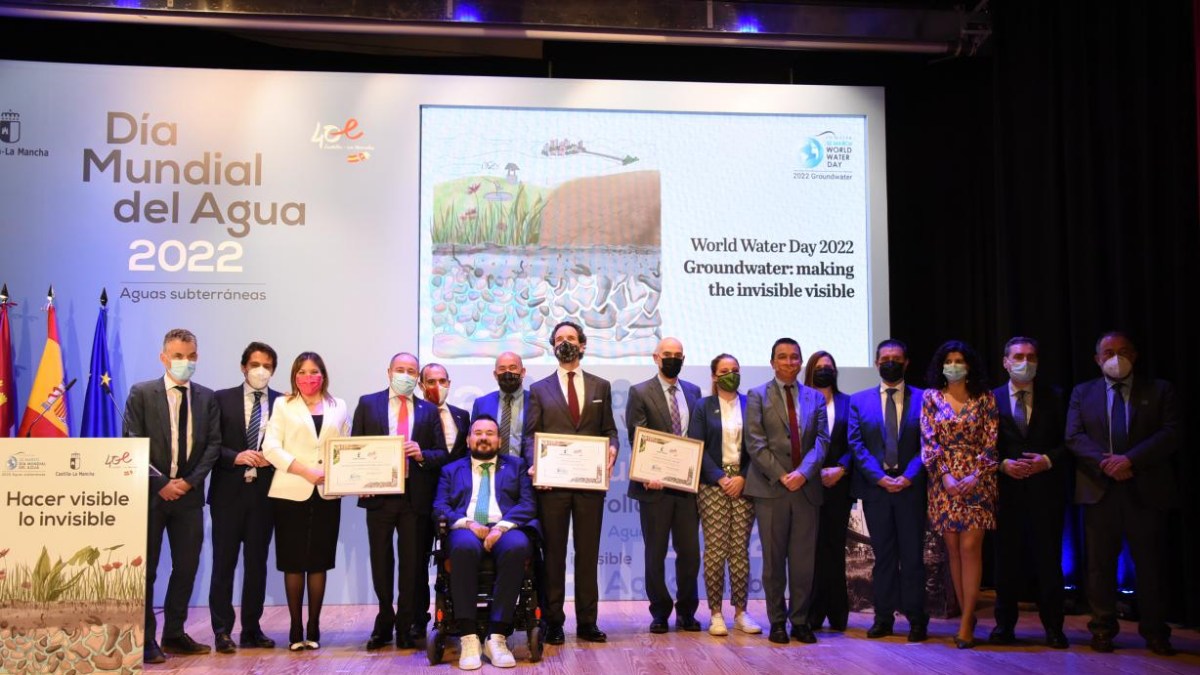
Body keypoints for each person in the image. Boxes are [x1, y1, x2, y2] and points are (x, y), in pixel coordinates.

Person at [1065, 331, 1179, 656]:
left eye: (1124, 351)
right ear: (1097, 359)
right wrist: (1107, 464)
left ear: (1135, 355)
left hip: (1146, 490)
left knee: (1151, 565)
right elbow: (1074, 436)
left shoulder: (1159, 390)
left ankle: (1155, 632)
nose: (1117, 357)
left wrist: (1130, 460)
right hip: (1100, 491)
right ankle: (1102, 629)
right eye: (1109, 352)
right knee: (1099, 567)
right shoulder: (1082, 392)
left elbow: (1171, 432)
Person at [124, 328, 221, 664]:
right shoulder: (141, 393)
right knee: (147, 570)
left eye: (191, 356)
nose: (185, 362)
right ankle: (146, 639)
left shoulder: (207, 397)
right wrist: (161, 482)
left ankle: (175, 634)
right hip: (151, 496)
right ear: (164, 358)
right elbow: (131, 441)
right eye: (178, 356)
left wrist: (189, 483)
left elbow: (213, 445)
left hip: (189, 498)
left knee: (186, 566)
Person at [522, 320, 619, 645]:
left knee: (587, 554)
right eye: (560, 338)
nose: (566, 342)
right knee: (553, 555)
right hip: (553, 487)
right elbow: (530, 436)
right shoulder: (539, 389)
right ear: (553, 346)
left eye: (571, 338)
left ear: (582, 345)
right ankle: (553, 622)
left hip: (590, 485)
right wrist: (536, 465)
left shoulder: (601, 386)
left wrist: (613, 447)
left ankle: (588, 622)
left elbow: (609, 430)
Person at [353, 352, 449, 650]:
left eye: (411, 371)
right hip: (379, 496)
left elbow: (441, 454)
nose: (405, 375)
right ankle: (384, 622)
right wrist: (359, 482)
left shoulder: (428, 410)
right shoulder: (368, 403)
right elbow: (354, 448)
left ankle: (406, 626)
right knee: (381, 562)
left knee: (412, 566)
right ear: (389, 372)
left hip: (414, 498)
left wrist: (421, 454)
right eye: (400, 369)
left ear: (417, 377)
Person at [433, 415, 539, 670]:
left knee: (517, 546)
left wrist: (500, 528)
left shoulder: (516, 466)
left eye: (489, 433)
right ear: (468, 440)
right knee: (462, 547)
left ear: (499, 440)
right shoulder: (451, 470)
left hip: (506, 526)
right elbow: (440, 506)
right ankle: (468, 637)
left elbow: (528, 504)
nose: (483, 438)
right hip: (466, 527)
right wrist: (469, 524)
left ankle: (496, 636)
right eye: (477, 433)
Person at [262, 351, 350, 651]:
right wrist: (305, 470)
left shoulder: (339, 406)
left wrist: (341, 475)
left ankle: (313, 626)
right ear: (293, 376)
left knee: (318, 563)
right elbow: (271, 448)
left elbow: (346, 447)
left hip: (327, 493)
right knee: (293, 562)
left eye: (314, 371)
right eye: (301, 372)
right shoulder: (283, 405)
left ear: (323, 375)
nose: (308, 377)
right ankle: (295, 627)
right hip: (290, 491)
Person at [744, 337, 828, 645]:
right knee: (774, 562)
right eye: (783, 357)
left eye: (794, 357)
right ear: (772, 362)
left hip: (805, 489)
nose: (789, 362)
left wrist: (803, 473)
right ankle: (777, 622)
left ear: (801, 362)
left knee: (804, 564)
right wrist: (782, 476)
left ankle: (801, 622)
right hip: (771, 489)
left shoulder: (815, 397)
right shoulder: (756, 395)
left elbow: (822, 441)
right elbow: (755, 443)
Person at [989, 337, 1069, 649]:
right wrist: (1002, 465)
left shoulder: (1056, 397)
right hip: (1006, 493)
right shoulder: (990, 398)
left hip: (1045, 492)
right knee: (1005, 563)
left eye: (1031, 356)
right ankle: (1004, 626)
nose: (1026, 362)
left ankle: (1054, 628)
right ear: (1005, 362)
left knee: (1049, 562)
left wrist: (1046, 460)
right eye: (1019, 356)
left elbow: (1070, 442)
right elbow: (981, 445)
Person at [919, 340, 998, 649]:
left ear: (969, 365)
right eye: (949, 360)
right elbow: (928, 441)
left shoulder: (985, 398)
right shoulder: (931, 397)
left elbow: (991, 442)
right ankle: (967, 615)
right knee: (953, 549)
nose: (954, 365)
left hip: (978, 480)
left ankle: (965, 623)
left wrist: (976, 475)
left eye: (959, 360)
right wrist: (946, 476)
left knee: (970, 547)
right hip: (944, 483)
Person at [848, 339, 928, 642]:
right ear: (876, 363)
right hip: (877, 490)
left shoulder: (925, 398)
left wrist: (909, 476)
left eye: (896, 358)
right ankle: (883, 618)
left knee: (912, 557)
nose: (890, 363)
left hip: (911, 488)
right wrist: (880, 478)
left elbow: (928, 442)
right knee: (882, 557)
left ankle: (917, 619)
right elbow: (857, 444)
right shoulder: (859, 400)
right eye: (885, 359)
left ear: (906, 363)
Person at [207, 341, 282, 653]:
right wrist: (235, 456)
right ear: (243, 367)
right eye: (255, 364)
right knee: (223, 564)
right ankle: (222, 630)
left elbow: (290, 445)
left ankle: (252, 629)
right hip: (227, 495)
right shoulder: (220, 399)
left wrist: (273, 457)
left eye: (267, 366)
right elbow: (209, 443)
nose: (260, 371)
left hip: (265, 496)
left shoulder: (283, 403)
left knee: (256, 565)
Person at [625, 337, 703, 633]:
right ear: (656, 358)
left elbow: (697, 436)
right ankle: (659, 611)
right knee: (655, 553)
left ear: (683, 359)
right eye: (667, 354)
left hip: (686, 487)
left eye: (678, 355)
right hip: (654, 486)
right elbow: (637, 436)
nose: (673, 359)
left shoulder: (694, 391)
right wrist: (647, 472)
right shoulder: (640, 391)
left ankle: (687, 611)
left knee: (690, 554)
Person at [687, 353, 763, 637]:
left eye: (735, 370)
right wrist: (720, 477)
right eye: (724, 370)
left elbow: (758, 446)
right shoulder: (703, 406)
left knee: (740, 550)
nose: (730, 374)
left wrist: (743, 476)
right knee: (716, 550)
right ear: (714, 376)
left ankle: (741, 612)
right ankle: (716, 613)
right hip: (712, 485)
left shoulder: (751, 404)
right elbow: (697, 445)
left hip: (745, 483)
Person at [802, 350, 853, 634]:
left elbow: (856, 442)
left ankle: (837, 612)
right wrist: (813, 471)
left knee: (834, 547)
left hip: (839, 485)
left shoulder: (848, 402)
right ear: (811, 370)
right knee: (811, 550)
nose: (824, 370)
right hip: (808, 484)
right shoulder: (801, 401)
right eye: (819, 366)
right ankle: (812, 611)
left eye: (829, 366)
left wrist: (841, 469)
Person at [470, 352, 529, 459]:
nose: (507, 373)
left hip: (527, 468)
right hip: (489, 466)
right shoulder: (481, 403)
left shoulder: (536, 401)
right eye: (502, 369)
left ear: (523, 372)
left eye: (513, 368)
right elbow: (472, 442)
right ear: (495, 375)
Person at [421, 362, 471, 461]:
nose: (438, 386)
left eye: (442, 381)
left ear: (449, 383)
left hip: (456, 470)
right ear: (421, 386)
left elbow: (466, 449)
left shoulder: (462, 415)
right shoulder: (413, 414)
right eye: (431, 382)